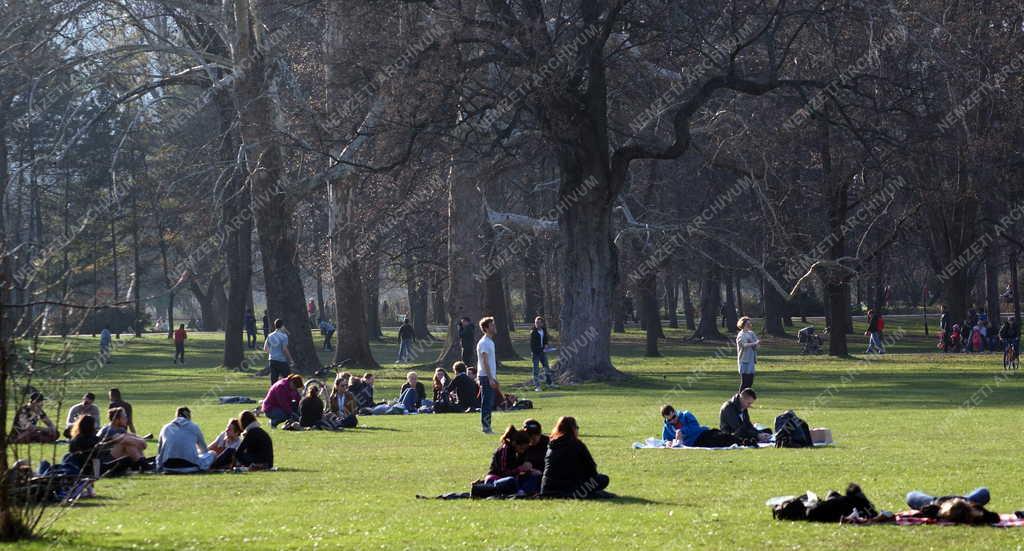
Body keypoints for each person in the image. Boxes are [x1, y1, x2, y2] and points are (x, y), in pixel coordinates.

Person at [540, 416, 609, 498]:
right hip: (570, 489)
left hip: (547, 489)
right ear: (573, 429)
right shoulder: (577, 444)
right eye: (577, 428)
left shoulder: (551, 445)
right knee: (603, 479)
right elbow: (591, 468)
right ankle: (581, 494)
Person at [484, 425, 542, 496]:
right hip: (496, 479)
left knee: (535, 475)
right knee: (510, 480)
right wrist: (520, 469)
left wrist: (530, 470)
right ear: (514, 443)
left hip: (513, 479)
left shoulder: (520, 452)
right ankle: (520, 491)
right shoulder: (504, 450)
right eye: (521, 448)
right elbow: (503, 472)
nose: (523, 451)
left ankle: (522, 492)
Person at [156, 407, 215, 473]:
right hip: (190, 467)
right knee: (212, 453)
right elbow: (204, 450)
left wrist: (158, 466)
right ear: (188, 416)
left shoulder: (165, 427)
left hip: (168, 467)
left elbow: (160, 451)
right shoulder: (194, 427)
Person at [661, 404, 749, 448]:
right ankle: (743, 441)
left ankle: (745, 441)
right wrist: (667, 442)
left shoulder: (686, 415)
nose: (673, 420)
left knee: (722, 436)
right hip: (695, 443)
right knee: (719, 442)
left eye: (673, 417)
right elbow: (664, 439)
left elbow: (696, 428)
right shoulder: (667, 427)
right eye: (669, 420)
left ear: (675, 412)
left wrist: (682, 431)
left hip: (702, 434)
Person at [476, 316, 498, 434]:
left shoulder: (490, 341)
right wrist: (490, 378)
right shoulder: (484, 342)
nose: (494, 327)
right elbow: (484, 361)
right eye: (492, 325)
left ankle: (487, 426)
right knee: (487, 403)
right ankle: (486, 427)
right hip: (485, 377)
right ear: (486, 328)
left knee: (489, 402)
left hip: (489, 376)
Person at [529, 316, 555, 392]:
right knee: (536, 370)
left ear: (542, 324)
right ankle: (537, 386)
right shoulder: (533, 332)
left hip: (543, 353)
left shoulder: (543, 330)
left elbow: (545, 339)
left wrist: (546, 345)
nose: (537, 324)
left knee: (546, 367)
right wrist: (541, 349)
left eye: (539, 323)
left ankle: (549, 383)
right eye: (536, 323)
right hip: (536, 353)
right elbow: (532, 345)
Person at [264, 318, 294, 384]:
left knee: (274, 381)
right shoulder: (284, 336)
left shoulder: (270, 335)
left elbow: (265, 348)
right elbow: (284, 349)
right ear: (282, 326)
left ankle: (273, 393)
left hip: (272, 360)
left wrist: (272, 353)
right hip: (282, 361)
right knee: (288, 380)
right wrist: (291, 359)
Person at [735, 316, 760, 390]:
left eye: (750, 323)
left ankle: (746, 398)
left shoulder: (751, 333)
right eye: (748, 324)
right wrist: (754, 343)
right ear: (743, 324)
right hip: (744, 361)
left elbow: (756, 345)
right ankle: (740, 398)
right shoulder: (741, 335)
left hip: (751, 360)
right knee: (745, 382)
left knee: (750, 382)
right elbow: (744, 345)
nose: (750, 325)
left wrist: (756, 344)